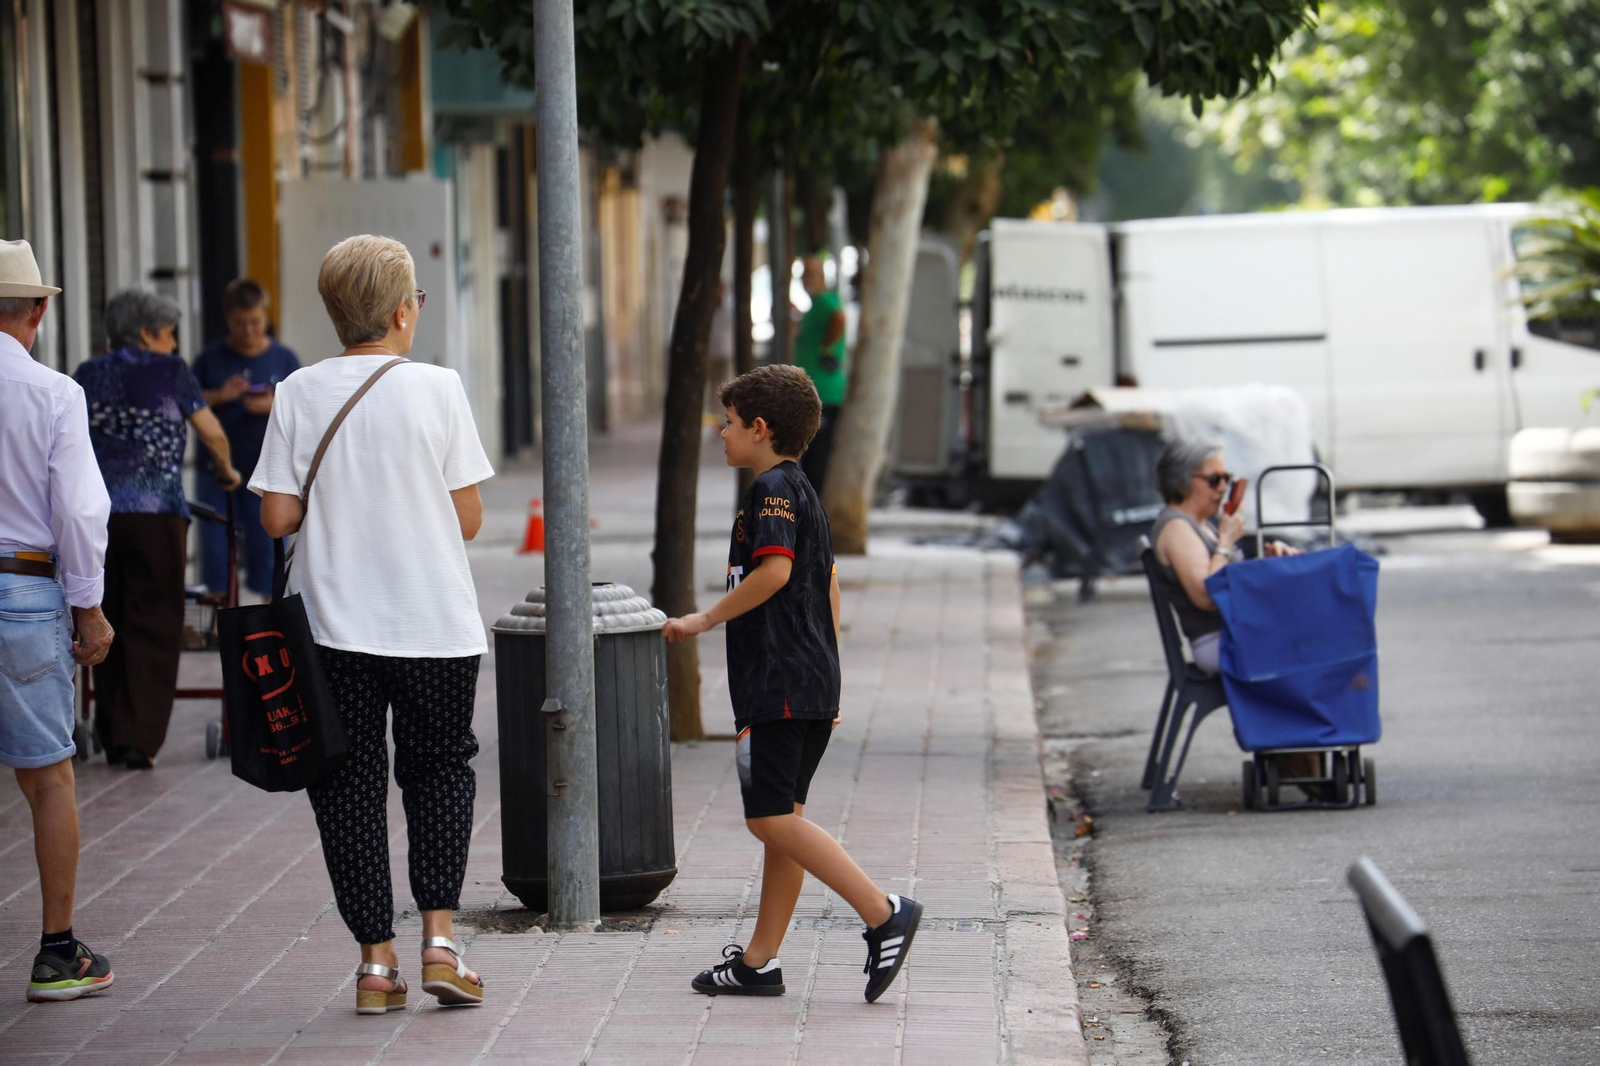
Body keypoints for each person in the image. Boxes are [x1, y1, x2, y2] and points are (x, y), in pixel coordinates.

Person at [252, 234, 494, 1014]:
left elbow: (277, 516)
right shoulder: (439, 388)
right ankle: (441, 944)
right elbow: (469, 520)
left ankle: (376, 966)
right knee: (438, 772)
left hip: (333, 628)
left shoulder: (296, 392)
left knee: (348, 789)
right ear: (400, 311)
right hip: (434, 624)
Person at [665, 364, 922, 1004]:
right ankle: (758, 962)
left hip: (777, 681)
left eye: (727, 423)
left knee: (771, 819)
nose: (720, 433)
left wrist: (702, 618)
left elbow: (775, 573)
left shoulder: (770, 491)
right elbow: (825, 582)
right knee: (785, 822)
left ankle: (882, 911)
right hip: (807, 681)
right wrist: (826, 680)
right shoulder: (802, 488)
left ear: (759, 428)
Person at [0, 238, 117, 1001]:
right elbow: (78, 510)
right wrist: (91, 610)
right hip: (24, 592)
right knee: (48, 779)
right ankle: (57, 952)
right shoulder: (51, 393)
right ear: (39, 309)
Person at [74, 290, 242, 770]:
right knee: (154, 623)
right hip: (157, 515)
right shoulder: (172, 372)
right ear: (148, 333)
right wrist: (227, 471)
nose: (173, 342)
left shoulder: (88, 374)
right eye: (169, 332)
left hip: (97, 515)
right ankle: (138, 739)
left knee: (105, 618)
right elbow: (210, 431)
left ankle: (109, 726)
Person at [1151, 438, 1302, 676]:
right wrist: (1225, 542)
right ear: (1180, 483)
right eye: (1214, 480)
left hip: (1233, 632)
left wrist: (1266, 562)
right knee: (1315, 642)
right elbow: (1206, 596)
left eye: (1226, 479)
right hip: (1218, 642)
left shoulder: (1200, 524)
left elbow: (1227, 578)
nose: (1222, 489)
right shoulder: (1177, 528)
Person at [191, 279, 302, 599]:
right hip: (216, 472)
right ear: (229, 321)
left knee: (268, 548)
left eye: (256, 322)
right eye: (241, 324)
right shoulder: (210, 358)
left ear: (266, 318)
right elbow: (186, 401)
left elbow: (304, 406)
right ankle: (216, 623)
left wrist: (273, 404)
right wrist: (221, 394)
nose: (250, 331)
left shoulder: (283, 358)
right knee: (214, 549)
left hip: (267, 472)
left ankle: (271, 617)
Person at [792, 255, 847, 494]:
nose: (807, 280)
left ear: (823, 277)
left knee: (817, 459)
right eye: (804, 275)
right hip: (814, 392)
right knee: (811, 456)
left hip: (824, 392)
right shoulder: (816, 304)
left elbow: (839, 317)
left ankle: (816, 511)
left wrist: (827, 347)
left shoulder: (825, 301)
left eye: (812, 275)